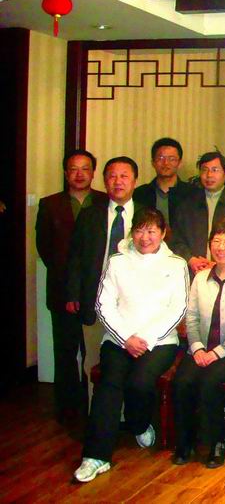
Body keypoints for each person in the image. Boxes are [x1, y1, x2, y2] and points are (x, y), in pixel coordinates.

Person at [73, 208, 188, 483]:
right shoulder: (117, 261)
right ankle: (95, 456)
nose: (145, 237)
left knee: (139, 382)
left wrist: (145, 339)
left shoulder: (176, 264)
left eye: (151, 231)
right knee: (109, 385)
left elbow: (178, 308)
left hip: (159, 341)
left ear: (162, 233)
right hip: (119, 339)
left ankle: (139, 423)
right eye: (139, 230)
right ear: (131, 232)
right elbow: (103, 304)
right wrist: (126, 337)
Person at [172, 218, 225, 468]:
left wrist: (217, 352)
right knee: (182, 382)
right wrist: (197, 348)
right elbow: (191, 317)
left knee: (209, 383)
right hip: (199, 349)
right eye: (216, 241)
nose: (221, 247)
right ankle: (185, 443)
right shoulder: (200, 279)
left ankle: (217, 442)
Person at [36, 149, 107, 418]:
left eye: (85, 168)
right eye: (73, 169)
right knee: (65, 349)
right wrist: (69, 283)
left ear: (93, 172)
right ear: (66, 173)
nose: (79, 174)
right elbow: (44, 247)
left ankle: (93, 402)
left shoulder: (105, 201)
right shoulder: (50, 204)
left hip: (97, 290)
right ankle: (66, 405)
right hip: (61, 288)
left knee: (95, 350)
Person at [66, 156, 141, 400]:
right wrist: (73, 294)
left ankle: (129, 415)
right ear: (105, 181)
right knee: (93, 360)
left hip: (135, 305)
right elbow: (76, 257)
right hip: (96, 299)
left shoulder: (147, 215)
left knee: (132, 362)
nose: (118, 181)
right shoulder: (90, 215)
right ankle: (96, 414)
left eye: (124, 176)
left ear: (135, 181)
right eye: (112, 176)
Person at [171, 151, 225, 275]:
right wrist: (191, 260)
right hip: (193, 271)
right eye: (204, 170)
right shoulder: (187, 205)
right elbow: (177, 240)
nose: (209, 175)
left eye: (215, 170)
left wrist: (220, 263)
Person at [133, 137, 196, 230]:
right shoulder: (139, 194)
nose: (166, 163)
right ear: (153, 162)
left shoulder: (193, 193)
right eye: (161, 158)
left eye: (172, 159)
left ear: (179, 163)